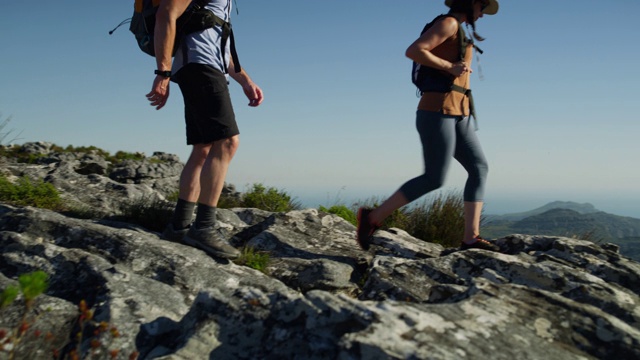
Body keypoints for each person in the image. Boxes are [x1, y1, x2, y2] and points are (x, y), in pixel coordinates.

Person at [356, 0, 499, 252]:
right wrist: (450, 67)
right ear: (470, 3)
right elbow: (414, 50)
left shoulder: (461, 30)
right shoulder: (449, 23)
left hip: (459, 112)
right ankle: (372, 218)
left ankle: (471, 238)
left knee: (479, 167)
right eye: (482, 7)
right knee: (434, 177)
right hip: (437, 111)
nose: (483, 14)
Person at [148, 0, 263, 259]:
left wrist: (246, 81)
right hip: (200, 65)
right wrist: (162, 73)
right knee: (228, 142)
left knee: (204, 147)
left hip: (204, 66)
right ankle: (204, 228)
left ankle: (179, 226)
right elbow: (166, 12)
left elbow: (218, 40)